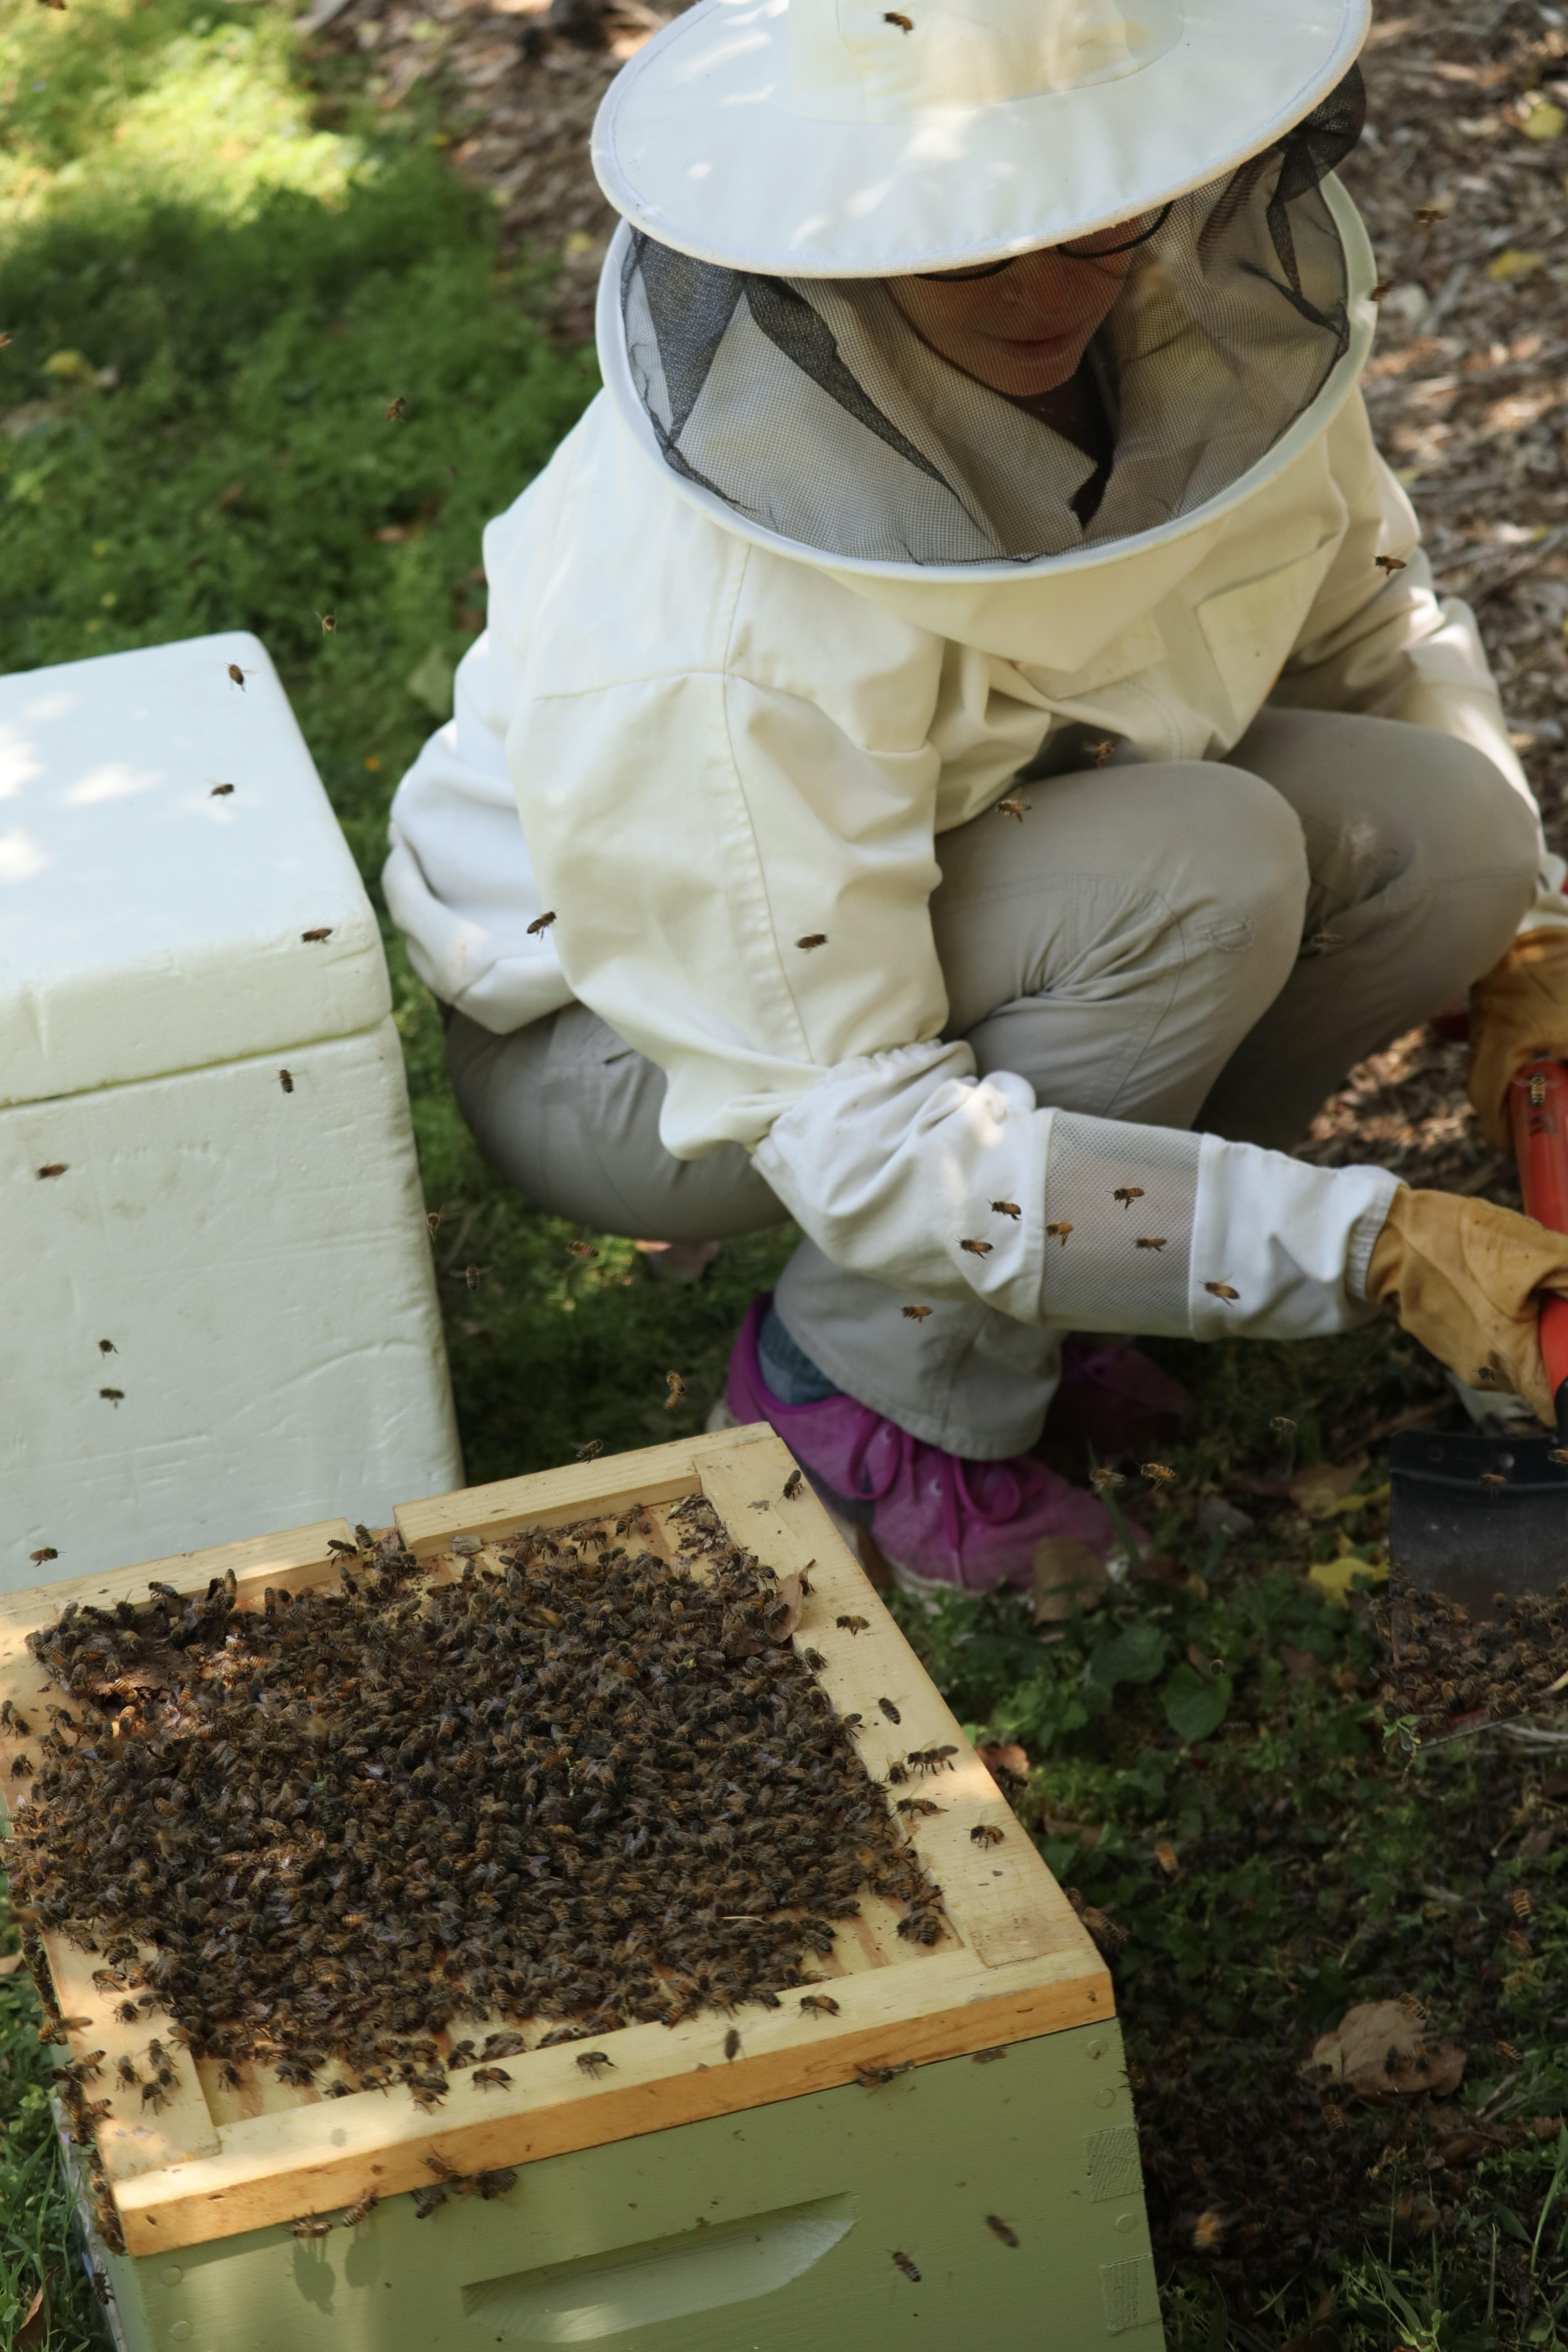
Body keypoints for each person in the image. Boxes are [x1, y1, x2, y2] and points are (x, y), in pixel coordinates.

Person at [385, 0, 1568, 1594]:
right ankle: (864, 1395)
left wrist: (1531, 948)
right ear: (851, 233)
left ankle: (1099, 1265)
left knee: (1453, 843)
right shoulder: (714, 626)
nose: (1046, 295)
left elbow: (1367, 616)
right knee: (1201, 869)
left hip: (991, 867)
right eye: (971, 251)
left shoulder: (1188, 314)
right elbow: (856, 1134)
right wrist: (1377, 1252)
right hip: (624, 1041)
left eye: (1094, 226)